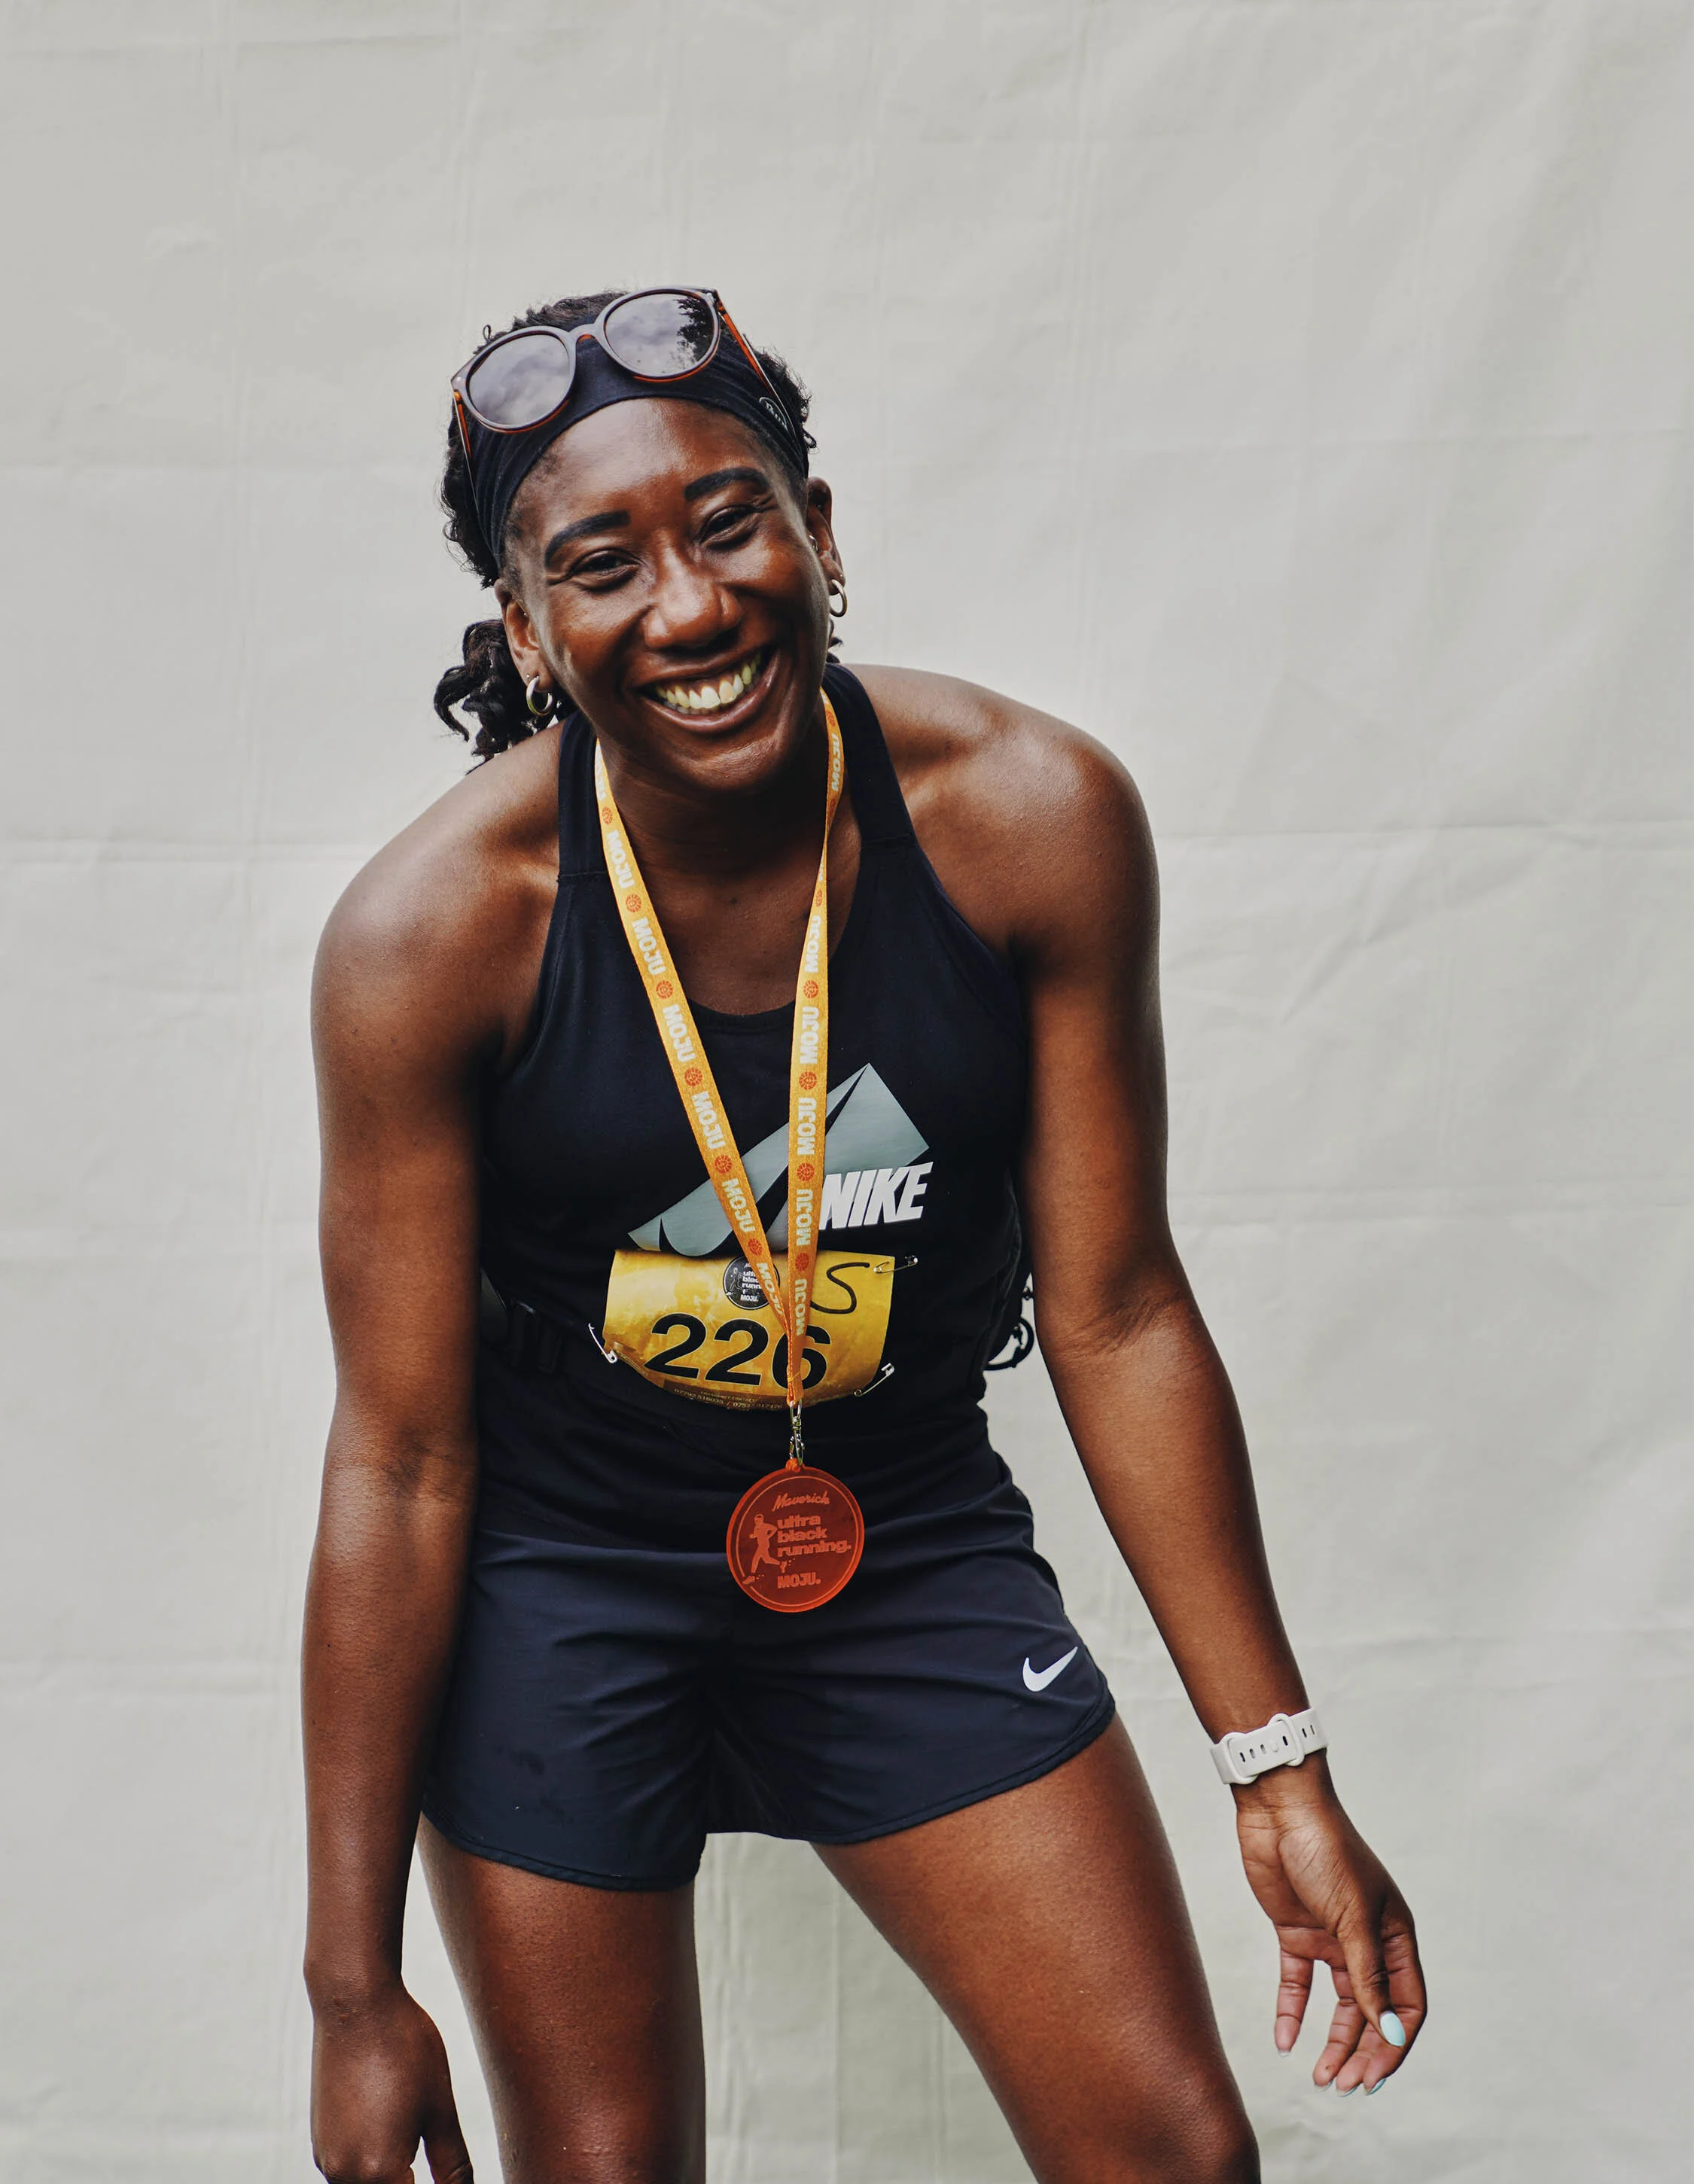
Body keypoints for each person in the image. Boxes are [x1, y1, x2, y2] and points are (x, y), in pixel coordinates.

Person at [303, 288, 1425, 2184]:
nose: (688, 606)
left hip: (898, 1538)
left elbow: (1123, 1310)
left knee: (1174, 2154)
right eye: (601, 564)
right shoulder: (431, 937)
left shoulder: (1029, 819)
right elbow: (403, 1458)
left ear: (822, 528)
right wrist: (352, 1992)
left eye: (730, 522)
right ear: (526, 628)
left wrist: (1279, 1765)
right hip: (563, 1582)